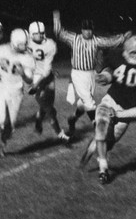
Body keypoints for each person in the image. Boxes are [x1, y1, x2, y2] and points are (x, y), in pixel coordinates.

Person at [80, 34, 136, 184]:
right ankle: (104, 170)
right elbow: (109, 70)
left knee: (108, 144)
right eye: (133, 52)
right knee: (101, 127)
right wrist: (106, 76)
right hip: (110, 101)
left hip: (126, 111)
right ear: (126, 51)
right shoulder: (117, 56)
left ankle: (95, 143)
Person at [53, 10, 129, 138]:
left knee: (84, 102)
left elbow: (110, 42)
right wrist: (56, 20)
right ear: (81, 30)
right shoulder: (74, 38)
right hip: (77, 74)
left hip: (91, 74)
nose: (88, 32)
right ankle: (98, 128)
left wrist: (123, 37)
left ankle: (73, 118)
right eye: (85, 29)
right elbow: (59, 33)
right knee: (89, 102)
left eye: (90, 30)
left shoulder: (96, 40)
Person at [0, 28, 36, 157]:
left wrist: (23, 74)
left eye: (25, 43)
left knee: (11, 125)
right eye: (22, 43)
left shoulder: (28, 57)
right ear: (15, 42)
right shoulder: (2, 50)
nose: (25, 45)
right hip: (1, 86)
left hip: (16, 90)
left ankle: (1, 146)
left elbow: (29, 79)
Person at [27, 21, 68, 141]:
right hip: (33, 76)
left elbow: (46, 69)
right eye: (36, 33)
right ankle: (60, 134)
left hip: (47, 77)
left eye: (41, 33)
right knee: (50, 110)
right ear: (31, 34)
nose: (39, 35)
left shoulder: (49, 44)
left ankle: (38, 122)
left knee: (47, 105)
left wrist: (35, 85)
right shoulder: (25, 43)